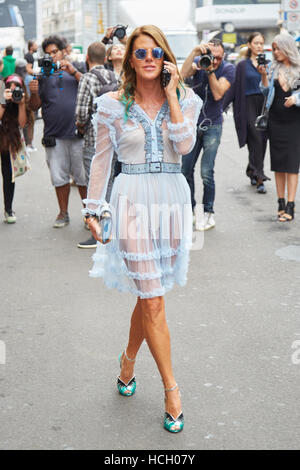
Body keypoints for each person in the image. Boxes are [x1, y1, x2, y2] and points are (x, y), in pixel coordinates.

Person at [84, 25, 201, 433]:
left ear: (165, 57)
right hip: (130, 199)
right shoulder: (111, 105)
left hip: (170, 200)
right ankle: (172, 389)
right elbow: (101, 161)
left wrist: (171, 97)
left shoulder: (188, 99)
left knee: (149, 294)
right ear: (129, 60)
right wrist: (93, 208)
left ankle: (128, 360)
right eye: (140, 53)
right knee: (152, 300)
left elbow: (185, 148)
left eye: (155, 52)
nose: (148, 58)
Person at [29, 35, 87, 228]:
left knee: (83, 178)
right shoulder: (43, 75)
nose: (52, 56)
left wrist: (73, 71)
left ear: (64, 51)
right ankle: (63, 213)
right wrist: (35, 91)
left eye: (55, 52)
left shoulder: (78, 68)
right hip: (54, 135)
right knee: (59, 178)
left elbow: (91, 87)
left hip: (79, 133)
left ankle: (89, 215)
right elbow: (33, 107)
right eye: (48, 54)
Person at [181, 39, 235, 231]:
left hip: (213, 125)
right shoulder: (197, 60)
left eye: (219, 57)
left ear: (223, 56)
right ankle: (190, 211)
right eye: (212, 56)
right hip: (192, 125)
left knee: (206, 173)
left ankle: (208, 212)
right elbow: (181, 76)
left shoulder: (228, 69)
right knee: (185, 171)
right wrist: (195, 52)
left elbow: (219, 93)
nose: (215, 60)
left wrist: (210, 70)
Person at [76, 41, 118, 248]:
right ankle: (110, 231)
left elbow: (82, 113)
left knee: (96, 187)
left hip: (94, 140)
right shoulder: (114, 76)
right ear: (106, 57)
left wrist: (80, 126)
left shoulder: (87, 78)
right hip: (115, 139)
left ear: (87, 58)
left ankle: (100, 234)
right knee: (110, 184)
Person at [259, 33, 300, 222]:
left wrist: (296, 98)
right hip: (275, 121)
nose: (275, 52)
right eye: (273, 49)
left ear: (287, 48)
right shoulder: (272, 68)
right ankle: (280, 202)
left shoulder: (299, 69)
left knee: (292, 165)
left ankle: (291, 205)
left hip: (294, 123)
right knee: (278, 165)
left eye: (277, 48)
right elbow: (265, 91)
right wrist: (263, 76)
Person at [223, 32, 270, 194]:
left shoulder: (268, 64)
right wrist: (222, 106)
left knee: (262, 141)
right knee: (255, 138)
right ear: (249, 45)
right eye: (256, 43)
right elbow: (235, 86)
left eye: (261, 43)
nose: (259, 46)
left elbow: (272, 87)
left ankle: (252, 169)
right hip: (247, 104)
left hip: (263, 104)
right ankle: (259, 177)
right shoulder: (242, 65)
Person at [0, 74, 33, 223]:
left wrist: (20, 104)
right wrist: (3, 101)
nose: (13, 92)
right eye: (10, 88)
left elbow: (22, 123)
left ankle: (8, 209)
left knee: (8, 176)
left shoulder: (21, 100)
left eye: (16, 88)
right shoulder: (2, 98)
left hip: (9, 141)